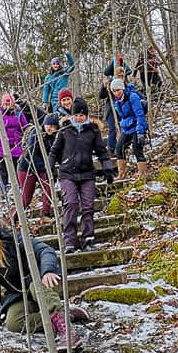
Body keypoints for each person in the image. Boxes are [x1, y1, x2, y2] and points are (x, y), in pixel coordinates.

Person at [0, 215, 86, 351]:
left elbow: (45, 250)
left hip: (41, 283)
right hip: (18, 294)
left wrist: (47, 271)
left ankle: (68, 334)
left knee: (36, 286)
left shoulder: (16, 240)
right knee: (13, 323)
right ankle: (64, 314)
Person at [48, 97, 114, 253]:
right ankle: (69, 241)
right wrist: (50, 167)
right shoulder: (64, 131)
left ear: (86, 116)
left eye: (82, 115)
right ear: (72, 115)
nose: (79, 118)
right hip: (67, 173)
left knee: (88, 207)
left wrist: (108, 169)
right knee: (70, 204)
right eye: (76, 115)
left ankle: (88, 240)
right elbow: (54, 151)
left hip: (87, 174)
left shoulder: (92, 131)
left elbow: (102, 153)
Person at [17, 114, 59, 220]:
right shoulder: (35, 133)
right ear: (44, 124)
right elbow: (31, 154)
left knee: (49, 188)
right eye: (49, 125)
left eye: (54, 126)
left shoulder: (54, 138)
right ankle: (14, 219)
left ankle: (46, 214)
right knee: (26, 198)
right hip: (27, 168)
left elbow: (55, 154)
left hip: (43, 168)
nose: (51, 128)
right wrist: (45, 167)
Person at [110, 78, 148, 179]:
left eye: (118, 90)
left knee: (137, 148)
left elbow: (140, 115)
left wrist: (141, 132)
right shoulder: (117, 102)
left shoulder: (133, 97)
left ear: (122, 89)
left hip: (137, 126)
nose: (116, 93)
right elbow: (122, 117)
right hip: (126, 128)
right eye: (114, 91)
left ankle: (143, 174)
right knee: (119, 148)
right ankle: (122, 173)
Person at [0, 93, 27, 190]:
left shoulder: (19, 114)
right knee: (2, 170)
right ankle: (3, 187)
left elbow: (26, 128)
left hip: (16, 146)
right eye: (5, 104)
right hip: (0, 147)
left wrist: (26, 142)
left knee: (17, 168)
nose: (7, 106)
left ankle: (19, 187)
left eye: (9, 104)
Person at [100, 55, 131, 152]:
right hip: (111, 109)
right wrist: (105, 86)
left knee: (124, 127)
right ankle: (111, 149)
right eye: (118, 74)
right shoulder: (109, 81)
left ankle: (123, 147)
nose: (120, 76)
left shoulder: (125, 82)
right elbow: (102, 95)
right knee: (112, 129)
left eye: (122, 75)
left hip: (123, 109)